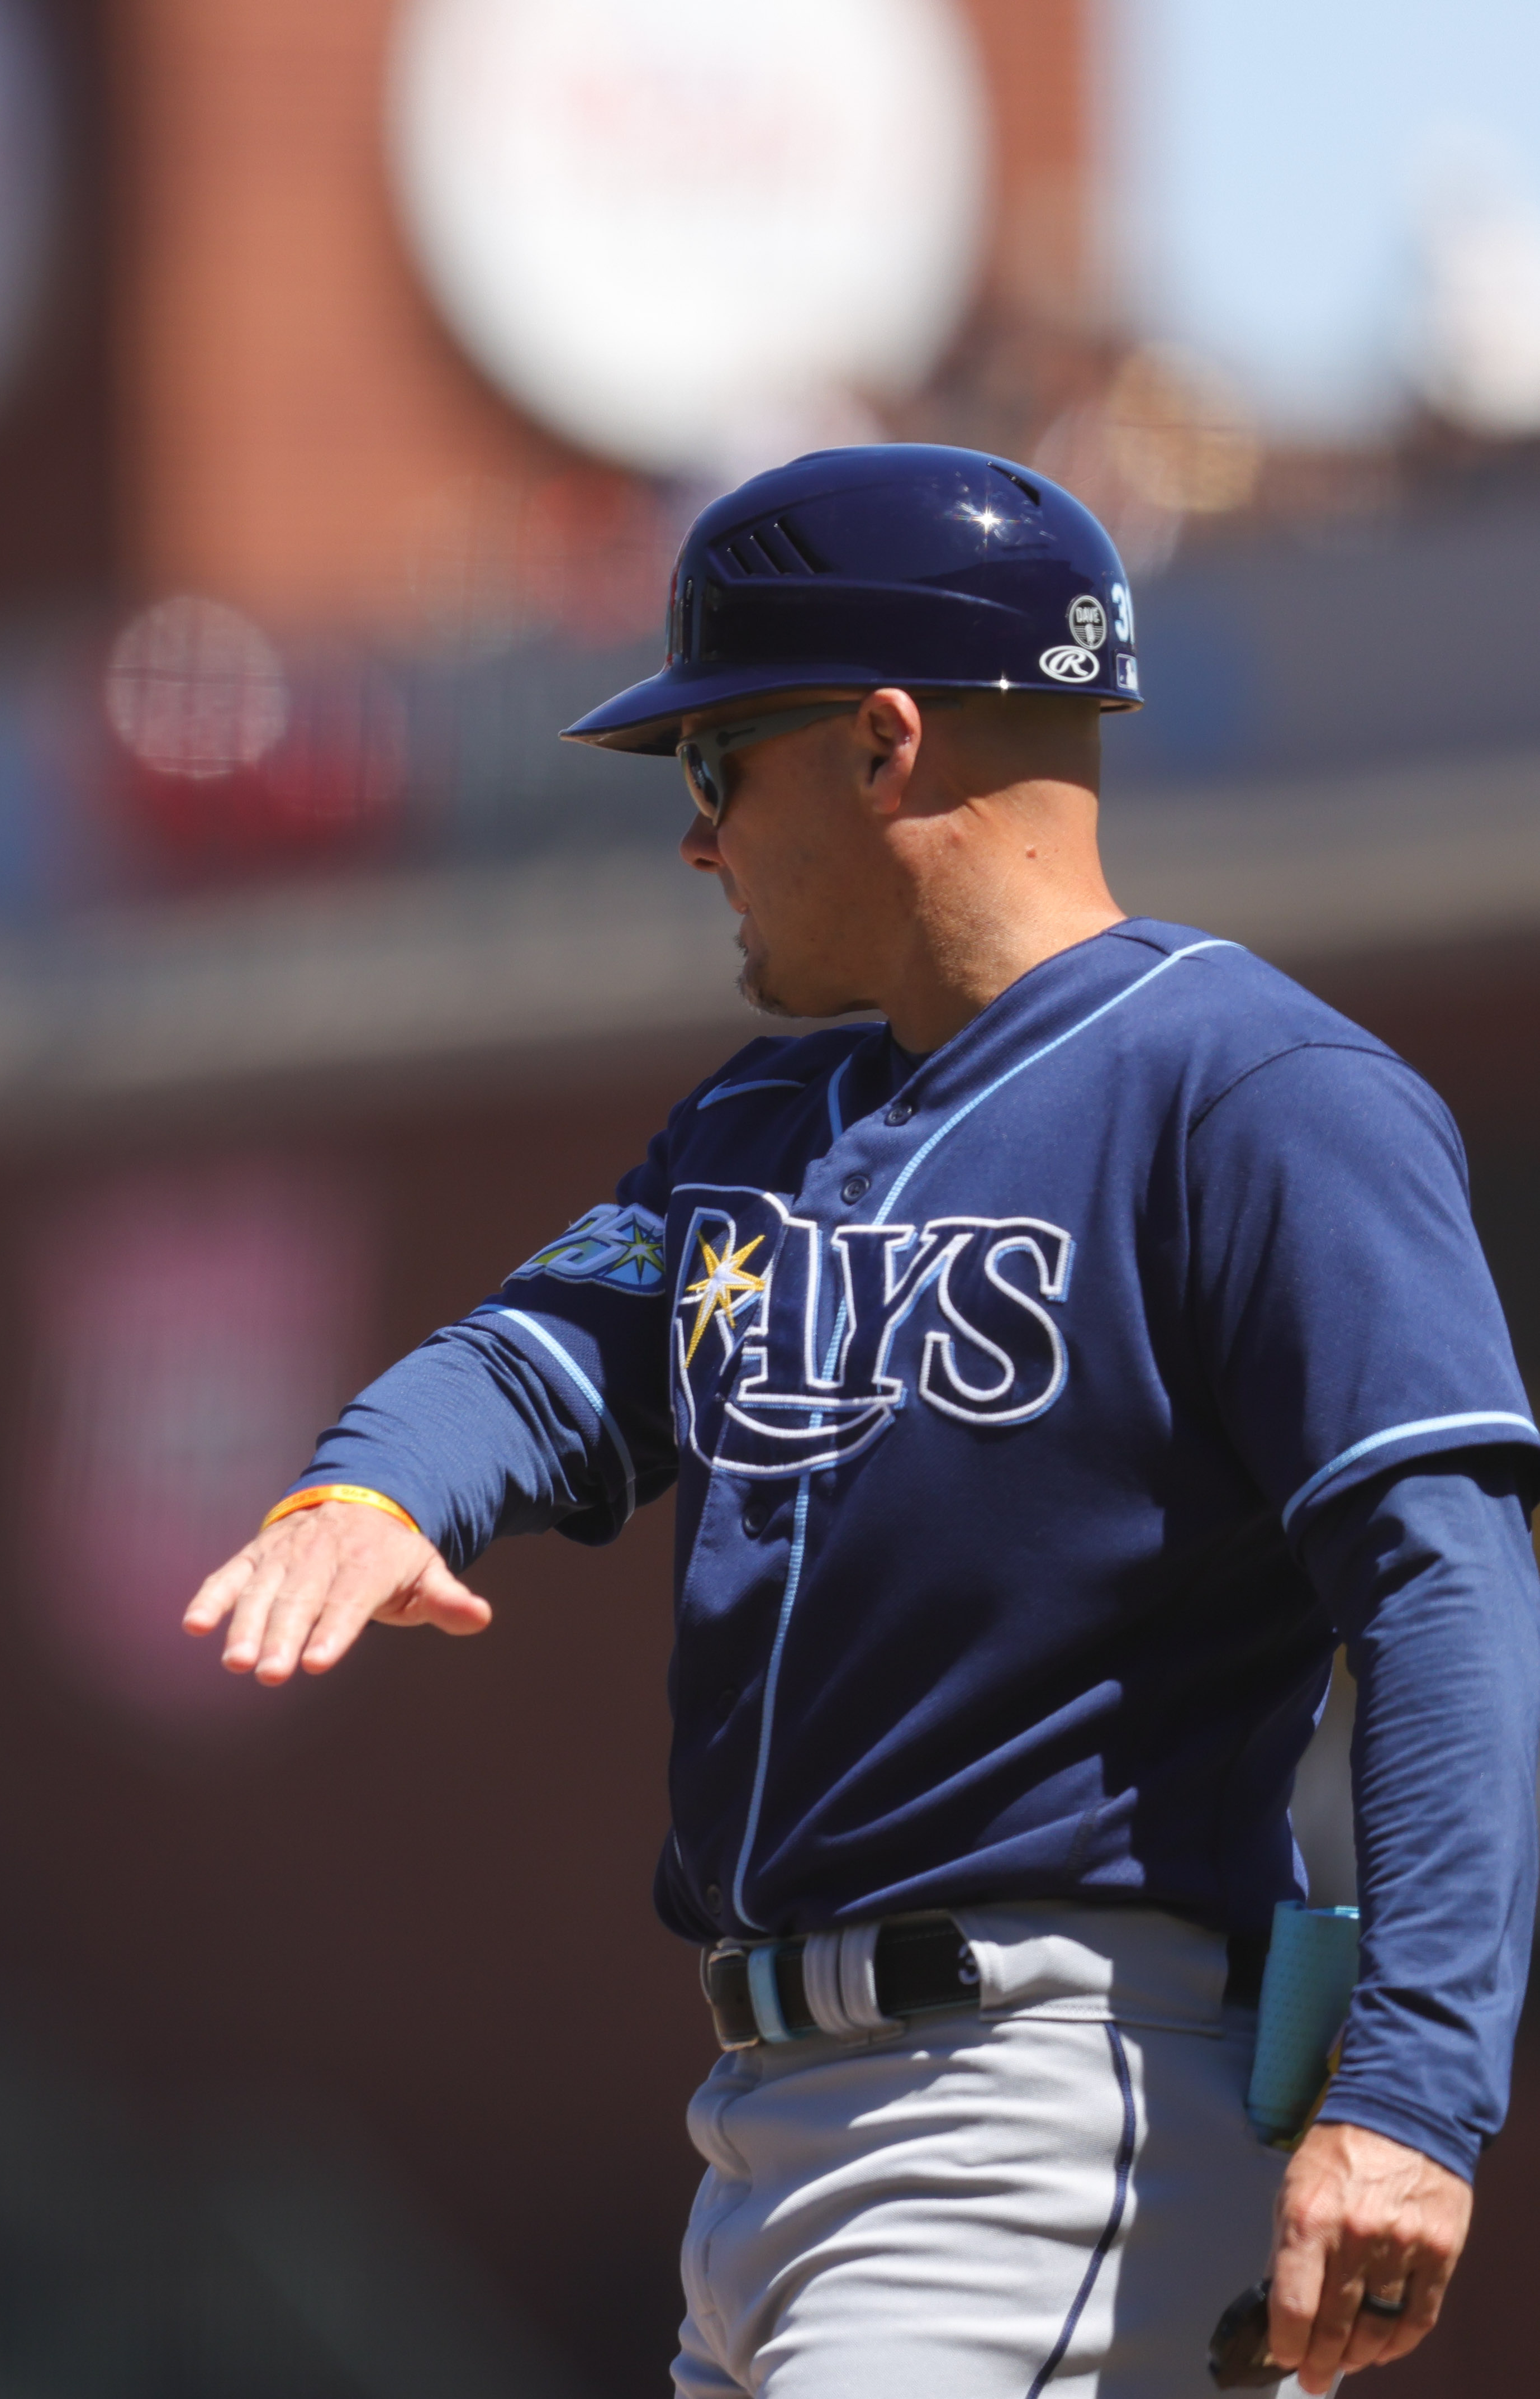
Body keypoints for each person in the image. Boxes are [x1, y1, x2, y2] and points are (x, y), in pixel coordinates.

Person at [183, 444, 1537, 2398]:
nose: (694, 834)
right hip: (766, 2134)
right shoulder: (757, 1127)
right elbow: (535, 1360)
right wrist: (375, 1490)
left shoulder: (1248, 1091)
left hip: (1050, 2102)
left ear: (883, 744)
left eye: (714, 762)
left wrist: (1412, 2086)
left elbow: (1444, 1590)